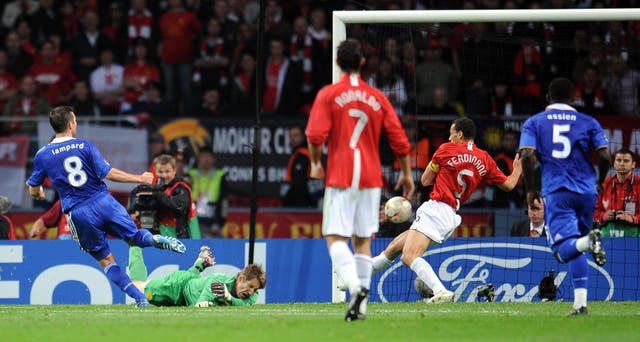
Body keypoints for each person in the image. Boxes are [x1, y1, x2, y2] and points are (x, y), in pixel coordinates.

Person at [26, 106, 187, 308]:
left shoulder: (43, 154)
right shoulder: (85, 146)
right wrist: (139, 178)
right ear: (70, 123)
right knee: (134, 237)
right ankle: (157, 240)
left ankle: (139, 298)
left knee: (106, 260)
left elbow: (33, 187)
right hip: (104, 202)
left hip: (79, 212)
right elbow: (107, 173)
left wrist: (38, 193)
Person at [306, 39, 415, 321]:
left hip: (341, 174)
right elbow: (400, 140)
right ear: (363, 63)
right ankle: (361, 309)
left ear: (338, 63)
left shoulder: (329, 94)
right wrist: (405, 174)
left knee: (334, 237)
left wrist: (317, 163)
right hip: (370, 176)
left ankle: (355, 288)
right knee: (363, 241)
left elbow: (315, 136)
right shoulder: (378, 97)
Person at [375, 118, 522, 305]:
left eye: (451, 133)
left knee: (409, 256)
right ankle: (352, 280)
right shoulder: (484, 158)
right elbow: (509, 185)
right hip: (451, 215)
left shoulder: (446, 149)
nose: (449, 137)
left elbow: (426, 181)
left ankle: (440, 290)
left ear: (460, 134)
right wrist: (517, 170)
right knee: (393, 249)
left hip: (436, 208)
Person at [519, 77, 611, 316]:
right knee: (576, 244)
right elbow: (605, 156)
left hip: (558, 191)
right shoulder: (588, 121)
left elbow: (527, 157)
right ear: (573, 99)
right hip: (587, 191)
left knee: (561, 251)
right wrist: (600, 180)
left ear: (547, 98)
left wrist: (530, 189)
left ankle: (589, 241)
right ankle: (580, 304)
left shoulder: (535, 122)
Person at [128, 245, 266, 307]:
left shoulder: (252, 295)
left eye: (255, 289)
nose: (252, 292)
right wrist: (201, 302)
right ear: (241, 279)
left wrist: (229, 298)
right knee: (137, 287)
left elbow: (245, 305)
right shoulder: (219, 282)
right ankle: (135, 246)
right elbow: (206, 292)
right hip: (178, 287)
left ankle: (200, 264)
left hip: (189, 289)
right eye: (251, 287)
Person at [142, 154, 200, 239]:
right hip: (159, 237)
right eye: (160, 172)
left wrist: (156, 193)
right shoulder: (156, 189)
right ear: (155, 172)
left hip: (180, 238)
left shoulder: (182, 188)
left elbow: (177, 205)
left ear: (174, 171)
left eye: (167, 171)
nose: (164, 175)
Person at [593, 148, 640, 237]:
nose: (622, 163)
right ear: (614, 164)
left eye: (626, 161)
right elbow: (595, 211)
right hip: (608, 234)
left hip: (634, 235)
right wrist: (604, 216)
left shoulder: (638, 184)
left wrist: (632, 218)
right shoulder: (604, 184)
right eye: (619, 160)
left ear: (633, 164)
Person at [187, 148, 229, 238]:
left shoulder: (220, 175)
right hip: (193, 219)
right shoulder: (190, 175)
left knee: (213, 249)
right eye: (203, 157)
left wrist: (218, 223)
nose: (206, 160)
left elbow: (224, 202)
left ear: (214, 159)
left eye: (208, 157)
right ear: (198, 159)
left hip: (212, 221)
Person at [281, 125, 316, 208]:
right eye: (291, 136)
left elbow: (299, 184)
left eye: (296, 135)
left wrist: (287, 201)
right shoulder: (297, 154)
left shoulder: (303, 156)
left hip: (301, 205)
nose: (293, 139)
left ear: (303, 137)